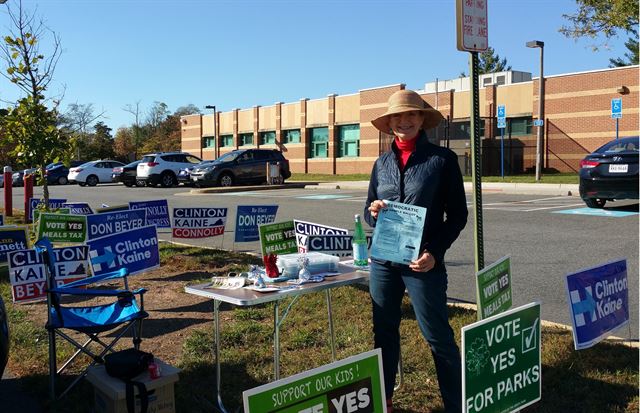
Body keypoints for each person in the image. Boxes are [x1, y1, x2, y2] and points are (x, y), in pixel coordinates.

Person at [364, 89, 468, 412]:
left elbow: (458, 215)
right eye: (398, 116)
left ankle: (458, 403)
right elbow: (368, 210)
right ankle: (385, 399)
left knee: (437, 334)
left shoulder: (442, 161)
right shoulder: (381, 164)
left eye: (411, 115)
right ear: (389, 123)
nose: (404, 121)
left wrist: (435, 252)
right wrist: (375, 210)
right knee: (384, 330)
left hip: (422, 261)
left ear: (422, 119)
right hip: (384, 260)